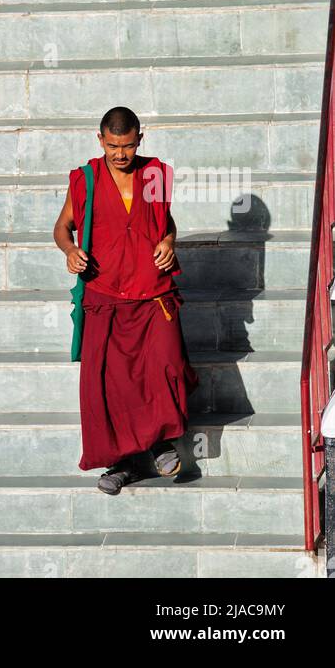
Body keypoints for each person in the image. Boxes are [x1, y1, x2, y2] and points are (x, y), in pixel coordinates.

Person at [53, 106, 199, 494]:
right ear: (100, 140)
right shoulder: (85, 179)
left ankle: (160, 442)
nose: (121, 154)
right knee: (110, 383)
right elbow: (62, 227)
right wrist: (69, 250)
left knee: (164, 363)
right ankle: (121, 464)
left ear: (140, 139)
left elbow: (164, 220)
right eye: (114, 146)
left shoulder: (154, 174)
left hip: (152, 291)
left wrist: (168, 241)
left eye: (129, 146)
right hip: (105, 292)